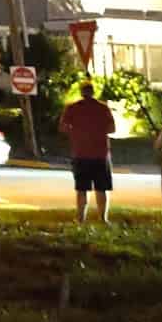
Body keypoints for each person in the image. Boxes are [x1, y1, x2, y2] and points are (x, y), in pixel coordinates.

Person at [59, 80, 118, 224]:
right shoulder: (103, 108)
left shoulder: (72, 108)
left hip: (80, 154)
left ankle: (80, 219)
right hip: (100, 154)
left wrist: (77, 132)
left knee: (81, 189)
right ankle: (103, 218)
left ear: (81, 92)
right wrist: (98, 130)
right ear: (93, 92)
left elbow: (63, 128)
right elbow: (112, 129)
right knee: (101, 188)